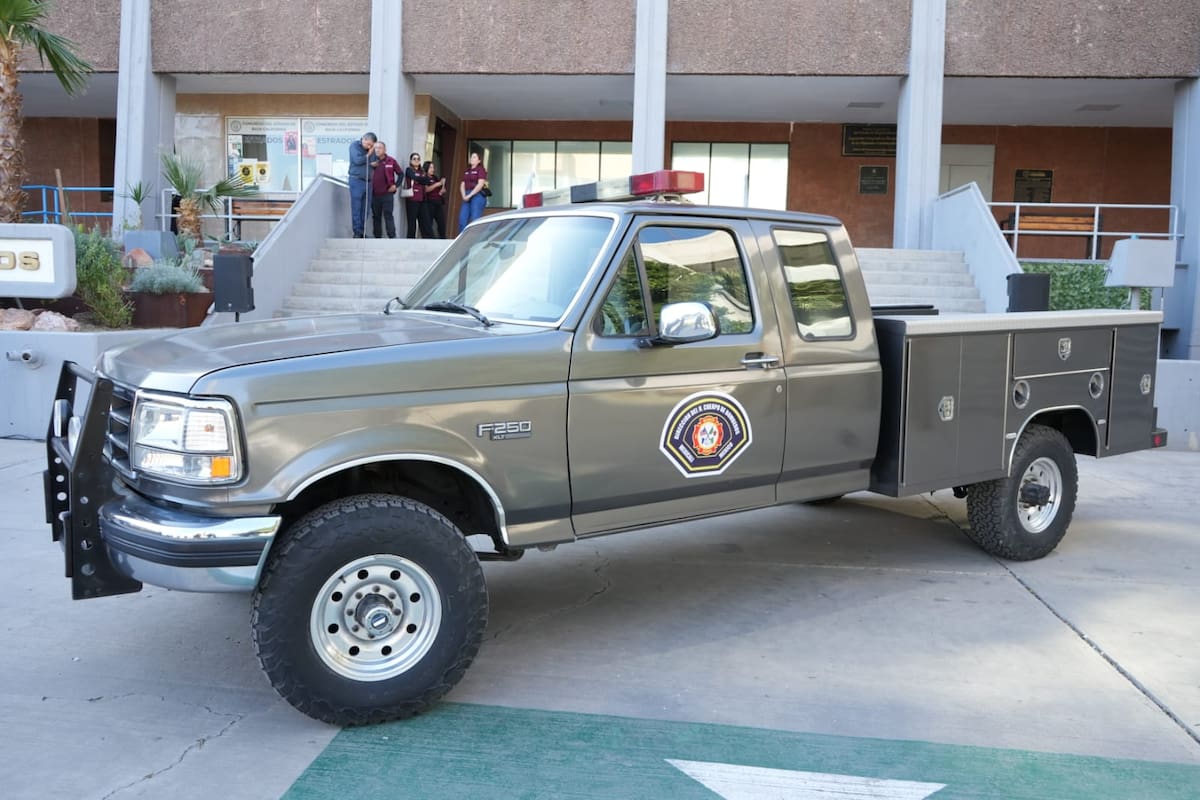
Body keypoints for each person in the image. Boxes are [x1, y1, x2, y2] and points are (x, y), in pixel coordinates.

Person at [369, 141, 402, 239]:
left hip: (387, 194)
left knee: (388, 215)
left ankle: (392, 237)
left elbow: (401, 174)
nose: (377, 150)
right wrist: (370, 165)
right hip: (374, 194)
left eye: (380, 148)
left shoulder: (391, 161)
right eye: (376, 148)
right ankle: (377, 237)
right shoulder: (371, 161)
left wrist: (396, 185)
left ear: (385, 150)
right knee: (376, 217)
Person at [347, 132, 376, 238]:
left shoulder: (371, 150)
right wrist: (368, 154)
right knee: (357, 207)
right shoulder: (355, 146)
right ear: (364, 139)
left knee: (366, 208)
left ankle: (362, 231)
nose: (369, 147)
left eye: (371, 145)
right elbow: (358, 160)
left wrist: (374, 162)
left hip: (368, 182)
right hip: (356, 180)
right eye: (368, 144)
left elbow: (373, 162)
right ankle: (357, 232)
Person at [458, 150, 488, 232]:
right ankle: (462, 239)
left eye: (474, 157)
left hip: (477, 195)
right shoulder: (467, 170)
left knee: (475, 219)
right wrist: (464, 195)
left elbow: (480, 184)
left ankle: (474, 240)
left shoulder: (480, 170)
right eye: (471, 157)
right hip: (466, 194)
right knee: (462, 219)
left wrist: (470, 195)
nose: (472, 158)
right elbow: (462, 184)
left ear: (479, 160)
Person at [420, 160, 447, 239]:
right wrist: (437, 184)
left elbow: (440, 190)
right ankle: (429, 239)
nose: (433, 169)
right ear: (426, 168)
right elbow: (426, 190)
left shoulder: (435, 177)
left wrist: (442, 189)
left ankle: (443, 238)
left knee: (441, 223)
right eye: (431, 167)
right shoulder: (424, 177)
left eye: (433, 167)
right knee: (429, 223)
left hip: (438, 202)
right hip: (429, 203)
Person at [403, 152, 426, 239]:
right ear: (410, 161)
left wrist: (420, 180)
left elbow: (426, 181)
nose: (416, 160)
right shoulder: (409, 170)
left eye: (418, 159)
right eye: (414, 159)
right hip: (412, 199)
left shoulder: (422, 171)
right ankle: (410, 240)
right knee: (412, 222)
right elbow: (414, 178)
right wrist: (421, 180)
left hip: (422, 200)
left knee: (423, 222)